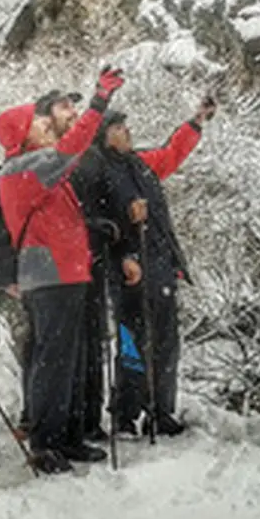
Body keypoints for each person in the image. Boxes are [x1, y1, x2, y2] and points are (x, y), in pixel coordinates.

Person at [0, 66, 127, 472]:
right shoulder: (24, 167)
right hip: (50, 276)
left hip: (64, 274)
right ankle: (46, 443)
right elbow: (74, 145)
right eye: (38, 122)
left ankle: (66, 436)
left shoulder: (38, 168)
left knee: (65, 359)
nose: (47, 125)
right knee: (53, 361)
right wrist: (99, 100)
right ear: (22, 134)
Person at [76, 95, 215, 437]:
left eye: (126, 127)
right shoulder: (95, 170)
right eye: (119, 128)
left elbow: (171, 154)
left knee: (166, 341)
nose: (127, 133)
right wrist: (123, 246)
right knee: (131, 341)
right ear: (104, 135)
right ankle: (125, 412)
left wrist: (196, 122)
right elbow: (94, 221)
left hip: (161, 264)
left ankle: (160, 409)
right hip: (127, 269)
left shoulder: (140, 163)